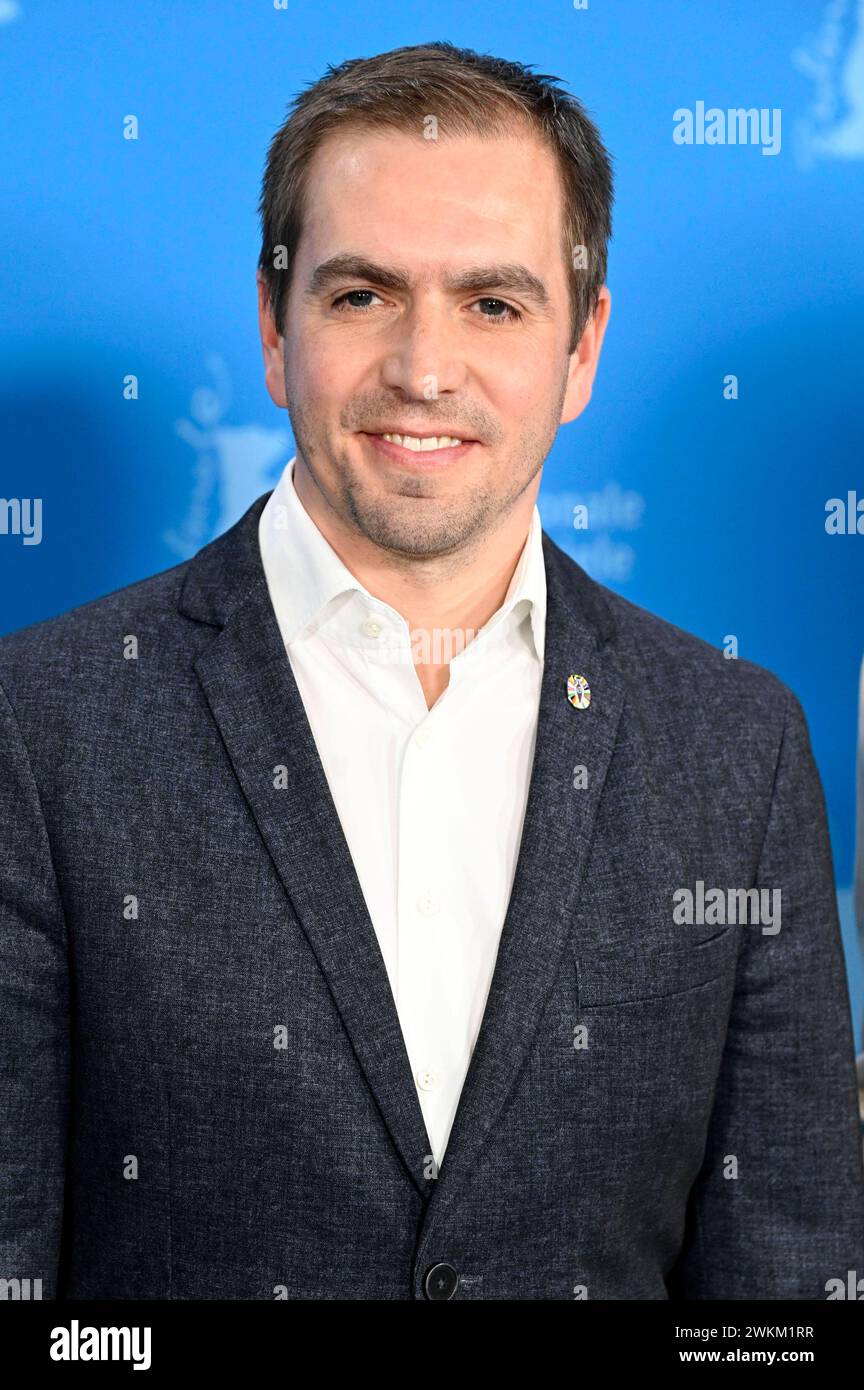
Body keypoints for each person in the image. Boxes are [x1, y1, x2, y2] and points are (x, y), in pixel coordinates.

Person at [1, 41, 862, 1302]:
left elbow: (783, 1296)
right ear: (273, 326)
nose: (423, 368)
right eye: (361, 296)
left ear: (581, 350)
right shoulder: (43, 722)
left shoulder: (739, 748)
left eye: (495, 304)